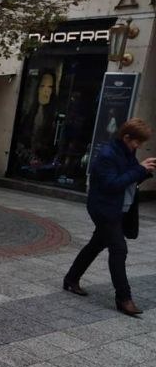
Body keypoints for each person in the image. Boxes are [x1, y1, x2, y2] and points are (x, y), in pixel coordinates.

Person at [63, 118, 156, 316]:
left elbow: (128, 177)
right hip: (104, 209)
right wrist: (139, 169)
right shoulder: (107, 154)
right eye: (137, 141)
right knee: (119, 249)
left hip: (118, 208)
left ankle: (71, 279)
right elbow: (111, 184)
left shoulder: (127, 150)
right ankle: (124, 298)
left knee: (96, 245)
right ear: (126, 137)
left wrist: (144, 171)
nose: (138, 146)